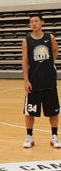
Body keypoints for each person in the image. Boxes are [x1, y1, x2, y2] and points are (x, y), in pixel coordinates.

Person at [22, 13, 61, 148]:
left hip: (49, 80)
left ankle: (54, 136)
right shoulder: (27, 40)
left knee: (53, 111)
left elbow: (55, 51)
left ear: (42, 22)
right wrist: (26, 80)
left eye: (36, 21)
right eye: (31, 21)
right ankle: (29, 136)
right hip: (34, 81)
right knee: (30, 111)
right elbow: (25, 61)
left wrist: (49, 63)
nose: (33, 24)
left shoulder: (50, 38)